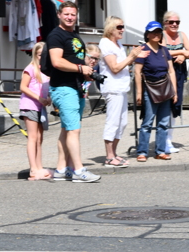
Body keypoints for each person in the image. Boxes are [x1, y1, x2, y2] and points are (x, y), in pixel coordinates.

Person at [48, 1, 101, 183]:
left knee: (66, 130)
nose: (70, 17)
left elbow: (74, 61)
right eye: (66, 14)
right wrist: (80, 69)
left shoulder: (75, 36)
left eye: (73, 14)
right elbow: (57, 61)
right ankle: (79, 170)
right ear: (59, 15)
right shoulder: (56, 35)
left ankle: (61, 169)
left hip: (75, 87)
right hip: (63, 88)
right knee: (74, 130)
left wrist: (87, 73)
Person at [98, 16, 142, 167]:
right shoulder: (105, 44)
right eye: (119, 27)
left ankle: (114, 153)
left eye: (123, 26)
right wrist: (132, 56)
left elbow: (122, 65)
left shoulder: (118, 44)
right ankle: (109, 156)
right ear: (110, 28)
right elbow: (115, 68)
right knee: (113, 122)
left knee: (122, 123)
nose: (122, 29)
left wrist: (134, 59)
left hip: (121, 88)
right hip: (113, 88)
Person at [134, 21, 178, 161]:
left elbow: (171, 72)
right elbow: (137, 72)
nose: (156, 35)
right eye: (153, 32)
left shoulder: (164, 50)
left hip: (165, 89)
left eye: (158, 32)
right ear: (147, 34)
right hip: (149, 90)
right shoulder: (142, 49)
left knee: (163, 123)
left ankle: (160, 151)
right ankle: (142, 152)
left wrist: (174, 92)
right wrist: (139, 93)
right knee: (147, 122)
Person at [162, 11, 189, 152]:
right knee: (165, 105)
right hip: (164, 74)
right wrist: (181, 52)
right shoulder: (162, 35)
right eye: (171, 22)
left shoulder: (182, 35)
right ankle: (162, 140)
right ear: (165, 23)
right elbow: (163, 51)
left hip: (179, 73)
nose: (174, 24)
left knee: (176, 105)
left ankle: (169, 140)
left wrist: (184, 55)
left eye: (177, 22)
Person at [19, 42, 52, 180]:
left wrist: (48, 98)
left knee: (39, 138)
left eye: (44, 55)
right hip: (30, 105)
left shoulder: (45, 70)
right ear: (35, 55)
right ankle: (33, 169)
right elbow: (23, 87)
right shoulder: (31, 68)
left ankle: (39, 167)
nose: (42, 57)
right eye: (40, 55)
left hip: (40, 107)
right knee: (33, 137)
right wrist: (39, 98)